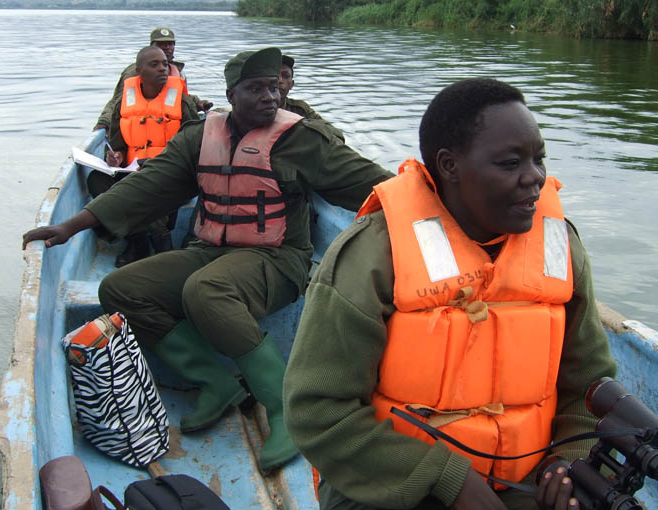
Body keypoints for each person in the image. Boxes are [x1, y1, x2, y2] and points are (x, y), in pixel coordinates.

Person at [283, 79, 653, 510]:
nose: (535, 176)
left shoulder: (560, 247)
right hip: (396, 484)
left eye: (539, 159)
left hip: (528, 475)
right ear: (450, 166)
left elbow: (588, 385)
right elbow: (317, 411)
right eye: (510, 163)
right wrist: (447, 477)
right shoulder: (374, 255)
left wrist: (570, 464)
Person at [23, 47, 393, 472]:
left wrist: (425, 198)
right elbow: (148, 186)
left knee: (206, 289)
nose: (270, 97)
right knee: (121, 288)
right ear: (231, 95)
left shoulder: (301, 139)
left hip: (277, 259)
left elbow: (370, 184)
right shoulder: (200, 137)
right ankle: (215, 382)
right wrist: (71, 226)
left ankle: (284, 408)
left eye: (273, 87)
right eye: (256, 89)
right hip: (210, 249)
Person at [89, 45, 200, 264]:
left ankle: (156, 246)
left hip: (171, 175)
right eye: (154, 65)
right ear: (139, 71)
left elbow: (196, 147)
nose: (163, 69)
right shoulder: (124, 103)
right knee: (96, 180)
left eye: (165, 64)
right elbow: (118, 146)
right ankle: (139, 240)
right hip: (133, 172)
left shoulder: (182, 102)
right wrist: (116, 157)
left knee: (144, 191)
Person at [94, 26, 210, 133]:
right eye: (161, 44)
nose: (167, 48)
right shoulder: (135, 72)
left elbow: (180, 98)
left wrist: (197, 102)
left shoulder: (177, 72)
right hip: (140, 126)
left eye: (170, 44)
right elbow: (117, 101)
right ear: (151, 46)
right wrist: (103, 122)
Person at [278, 55, 344, 141]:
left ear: (291, 84)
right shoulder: (255, 109)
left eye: (285, 76)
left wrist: (301, 126)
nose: (280, 80)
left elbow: (336, 134)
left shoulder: (300, 109)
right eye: (275, 75)